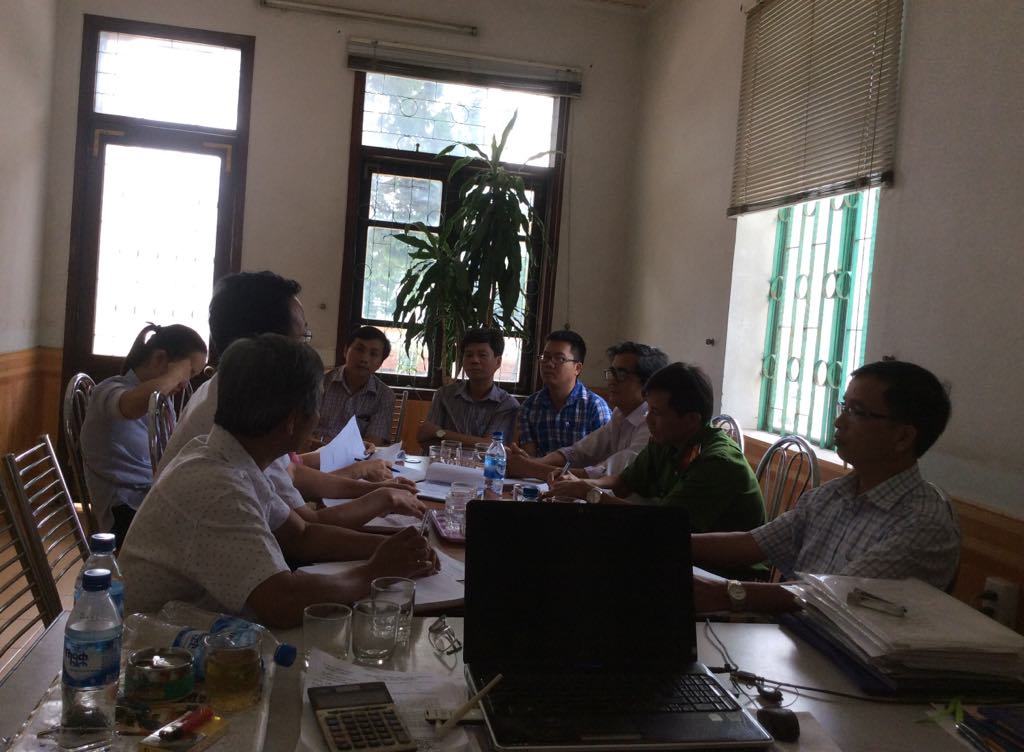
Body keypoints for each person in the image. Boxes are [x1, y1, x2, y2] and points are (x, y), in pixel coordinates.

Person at [120, 334, 437, 626]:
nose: (318, 419)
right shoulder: (219, 487)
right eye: (317, 406)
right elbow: (281, 601)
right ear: (292, 421)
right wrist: (375, 571)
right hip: (154, 649)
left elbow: (303, 535)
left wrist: (391, 549)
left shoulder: (233, 458)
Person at [158, 271, 424, 529]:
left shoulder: (230, 389)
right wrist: (381, 499)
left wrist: (374, 490)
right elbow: (304, 532)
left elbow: (293, 473)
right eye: (301, 339)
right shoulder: (244, 414)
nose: (305, 350)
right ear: (269, 345)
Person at [691, 360, 960, 614]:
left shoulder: (922, 524)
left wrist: (727, 593)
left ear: (903, 437)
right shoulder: (833, 494)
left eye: (856, 412)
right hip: (792, 633)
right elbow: (754, 543)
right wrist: (672, 541)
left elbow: (834, 597)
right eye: (844, 407)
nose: (838, 422)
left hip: (836, 645)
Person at [547, 362, 765, 536]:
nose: (648, 420)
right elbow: (625, 482)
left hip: (722, 569)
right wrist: (582, 484)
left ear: (691, 420)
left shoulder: (717, 462)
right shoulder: (666, 441)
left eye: (657, 413)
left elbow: (662, 524)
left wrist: (590, 493)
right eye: (648, 410)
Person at [80, 323, 207, 545]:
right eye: (188, 373)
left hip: (148, 498)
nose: (185, 382)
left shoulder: (163, 401)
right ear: (159, 358)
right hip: (122, 510)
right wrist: (174, 375)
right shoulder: (109, 390)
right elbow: (129, 407)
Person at [507, 341, 667, 480]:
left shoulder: (653, 425)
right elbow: (578, 452)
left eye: (621, 374)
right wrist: (531, 463)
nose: (612, 381)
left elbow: (605, 473)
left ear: (647, 382)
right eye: (611, 373)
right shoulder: (620, 414)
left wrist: (530, 468)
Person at [416, 328, 520, 449]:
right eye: (469, 355)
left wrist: (441, 433)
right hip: (443, 461)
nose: (474, 360)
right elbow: (424, 437)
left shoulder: (507, 404)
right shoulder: (444, 395)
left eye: (482, 355)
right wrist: (473, 443)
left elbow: (491, 447)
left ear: (498, 362)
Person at [516, 330, 611, 456]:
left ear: (577, 368)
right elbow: (529, 457)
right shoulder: (530, 406)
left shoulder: (595, 408)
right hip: (536, 469)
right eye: (545, 357)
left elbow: (603, 462)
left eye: (560, 359)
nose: (549, 364)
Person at [317, 326, 396, 447]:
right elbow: (303, 432)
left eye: (373, 354)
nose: (364, 359)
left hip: (356, 458)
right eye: (359, 349)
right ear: (345, 351)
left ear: (380, 363)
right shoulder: (319, 383)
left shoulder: (385, 396)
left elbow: (372, 444)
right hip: (314, 454)